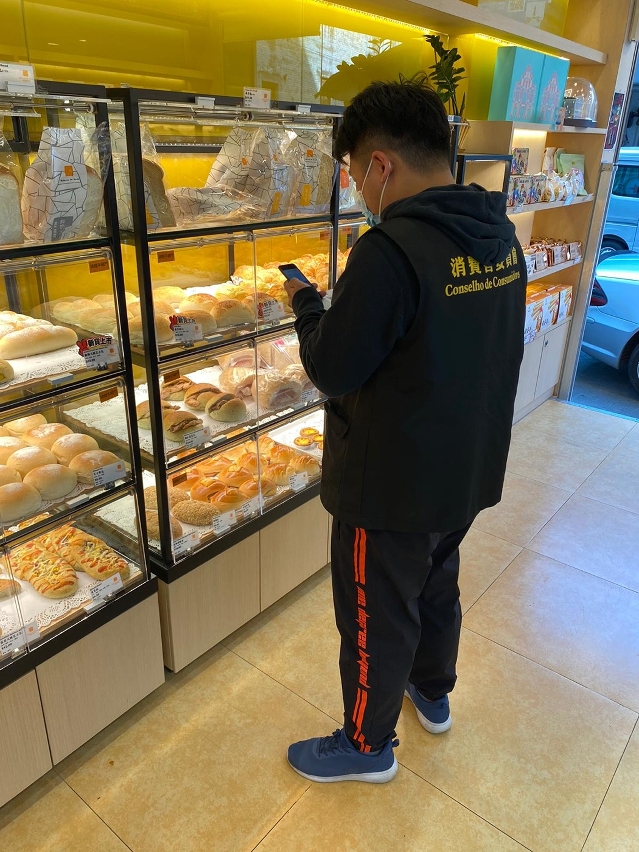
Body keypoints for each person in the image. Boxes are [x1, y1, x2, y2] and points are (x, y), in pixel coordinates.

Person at [283, 73, 526, 784]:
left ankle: (366, 745)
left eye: (354, 171)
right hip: (465, 464)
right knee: (435, 583)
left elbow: (332, 367)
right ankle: (432, 690)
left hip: (391, 483)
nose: (357, 186)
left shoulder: (389, 250)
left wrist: (306, 304)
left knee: (374, 613)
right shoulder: (495, 231)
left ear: (381, 164)